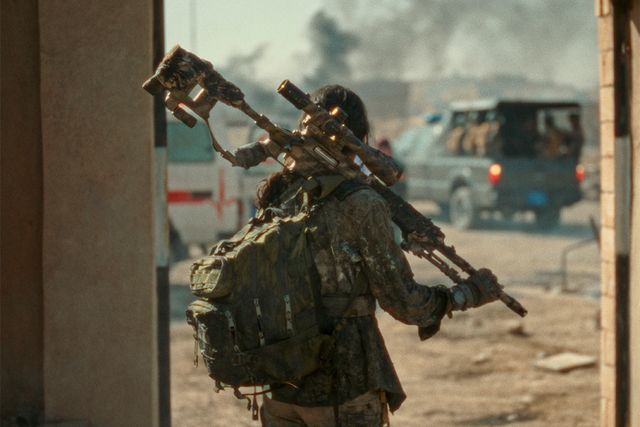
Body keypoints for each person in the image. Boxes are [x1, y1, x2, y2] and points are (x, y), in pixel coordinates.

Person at [236, 85, 500, 426]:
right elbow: (404, 302)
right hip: (345, 386)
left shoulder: (278, 193)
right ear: (358, 138)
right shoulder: (361, 203)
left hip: (279, 387)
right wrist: (466, 294)